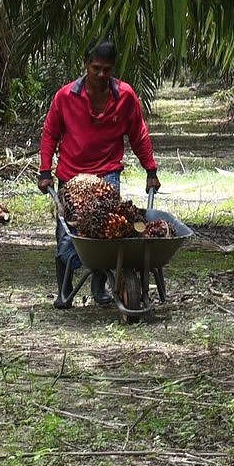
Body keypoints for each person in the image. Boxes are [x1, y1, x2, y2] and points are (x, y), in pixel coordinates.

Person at [37, 40, 160, 306]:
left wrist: (150, 169)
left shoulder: (125, 96)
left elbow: (138, 134)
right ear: (85, 65)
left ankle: (99, 287)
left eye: (106, 69)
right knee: (68, 235)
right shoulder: (65, 97)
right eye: (96, 68)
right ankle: (64, 290)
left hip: (106, 173)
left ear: (113, 68)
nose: (101, 75)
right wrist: (45, 169)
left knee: (107, 235)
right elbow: (50, 134)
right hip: (72, 176)